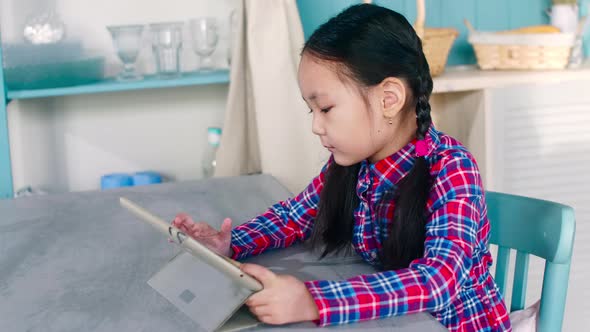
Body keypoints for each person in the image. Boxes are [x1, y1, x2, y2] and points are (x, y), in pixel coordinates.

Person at [172, 4, 511, 331]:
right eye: (312, 111)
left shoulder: (451, 168)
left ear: (388, 98)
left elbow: (438, 281)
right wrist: (230, 243)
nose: (316, 127)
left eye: (326, 109)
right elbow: (294, 217)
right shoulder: (354, 163)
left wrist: (312, 301)